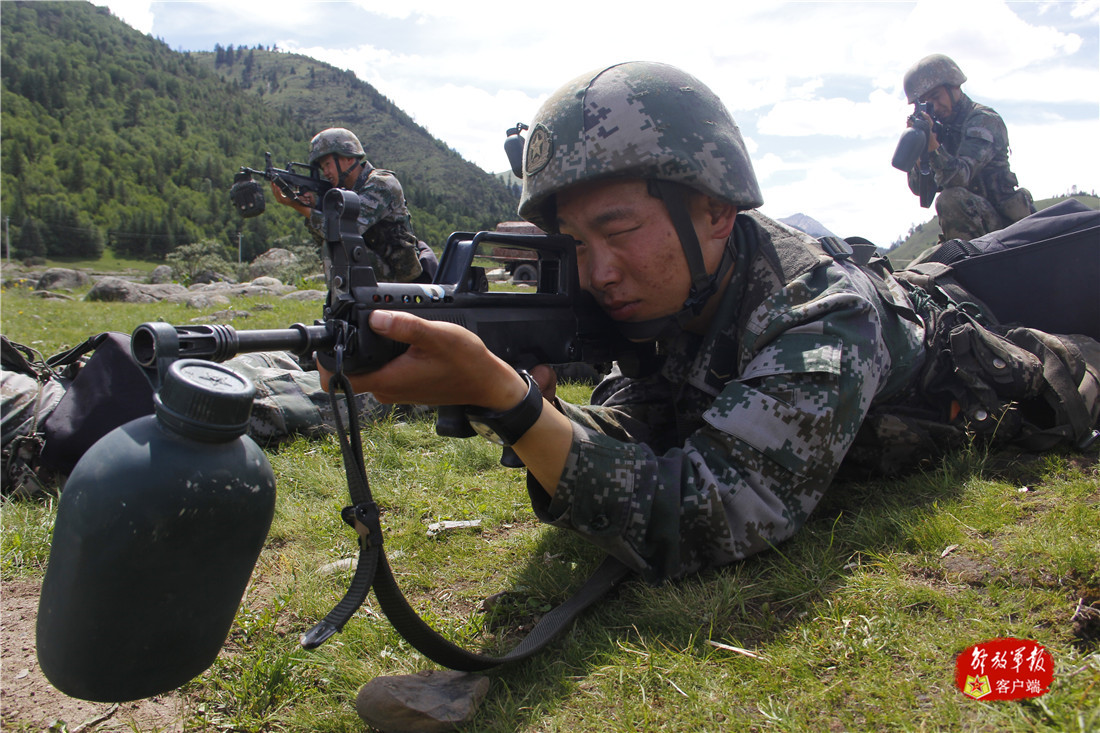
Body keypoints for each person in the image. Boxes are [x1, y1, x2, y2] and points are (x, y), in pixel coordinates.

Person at [321, 61, 937, 583]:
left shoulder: (819, 311)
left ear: (717, 211)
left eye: (619, 232)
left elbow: (716, 511)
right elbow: (648, 426)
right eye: (574, 245)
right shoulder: (671, 298)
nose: (600, 272)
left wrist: (512, 406)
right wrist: (503, 397)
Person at [273, 127, 438, 283]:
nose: (325, 172)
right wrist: (314, 207)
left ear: (349, 158)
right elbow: (324, 240)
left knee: (345, 247)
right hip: (374, 279)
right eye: (323, 167)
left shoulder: (381, 184)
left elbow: (344, 232)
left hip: (399, 280)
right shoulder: (345, 192)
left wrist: (301, 208)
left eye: (328, 164)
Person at [903, 53, 1035, 242]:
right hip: (975, 226)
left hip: (1007, 226)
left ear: (955, 87)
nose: (935, 106)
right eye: (926, 102)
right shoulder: (938, 129)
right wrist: (919, 150)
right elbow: (920, 190)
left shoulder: (983, 120)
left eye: (936, 97)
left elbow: (960, 177)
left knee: (950, 199)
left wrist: (932, 147)